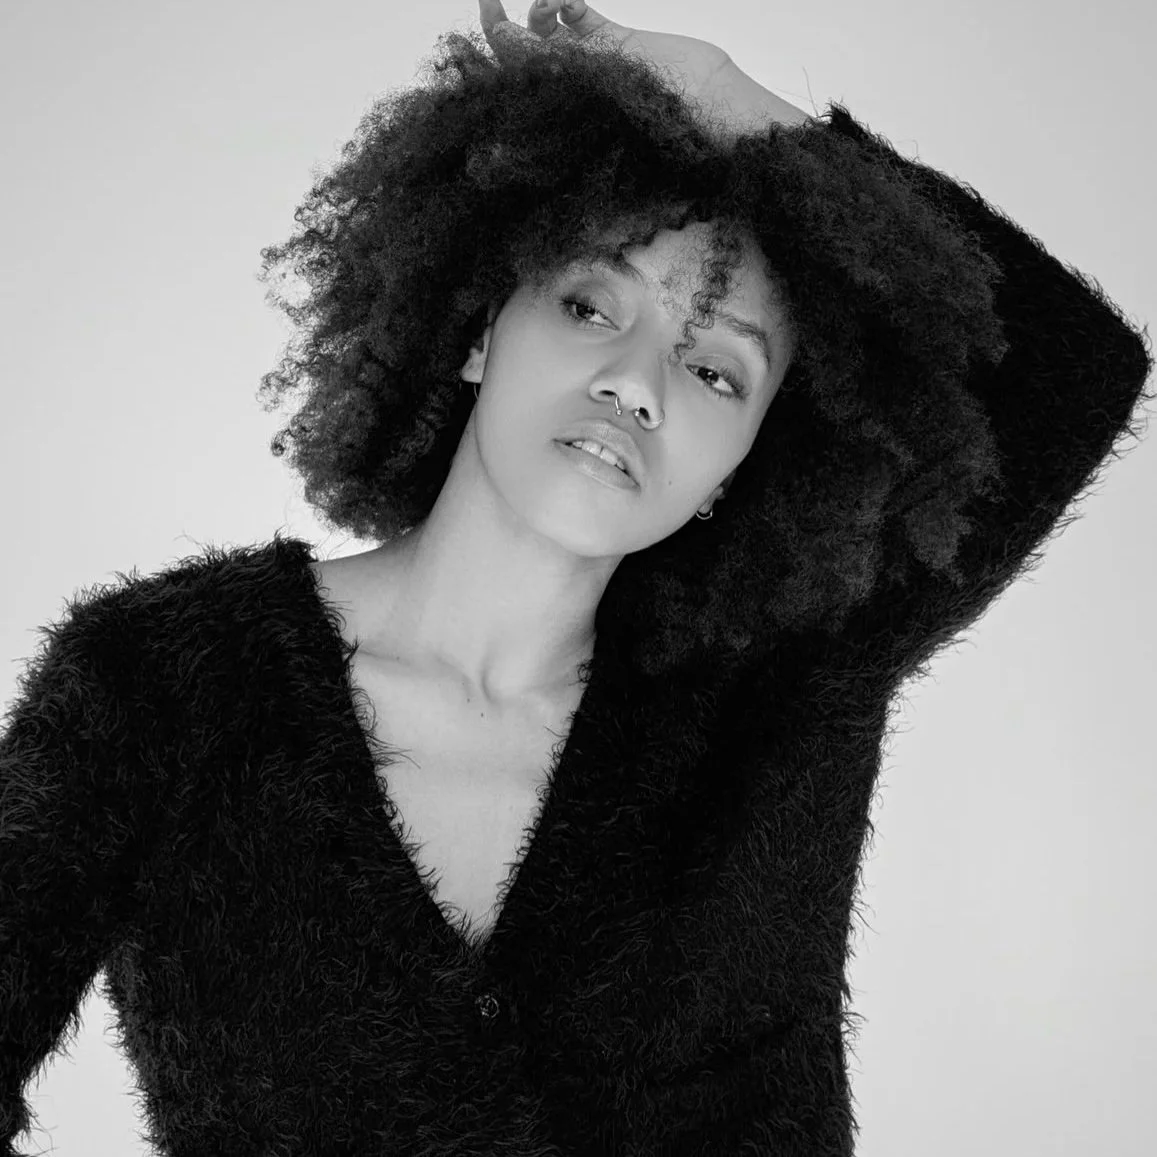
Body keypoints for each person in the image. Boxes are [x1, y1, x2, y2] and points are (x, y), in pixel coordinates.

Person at [2, 3, 1151, 1154]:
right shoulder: (161, 690)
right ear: (478, 329)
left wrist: (725, 98)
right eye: (591, 304)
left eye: (715, 370)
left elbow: (1072, 372)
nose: (635, 383)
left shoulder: (775, 691)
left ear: (740, 464)